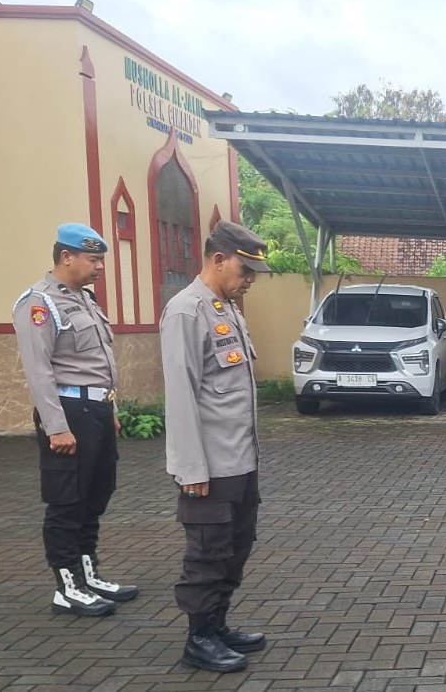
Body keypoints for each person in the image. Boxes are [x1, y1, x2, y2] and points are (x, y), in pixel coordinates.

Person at [162, 221, 273, 673]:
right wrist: (190, 469)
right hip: (208, 466)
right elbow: (181, 395)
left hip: (240, 460)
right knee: (207, 551)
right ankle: (199, 638)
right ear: (219, 259)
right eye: (245, 271)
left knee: (235, 545)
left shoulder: (226, 309)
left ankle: (218, 623)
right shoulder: (186, 312)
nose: (250, 280)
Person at [12, 222, 138, 617]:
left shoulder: (85, 300)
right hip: (69, 413)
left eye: (101, 260)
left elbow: (99, 365)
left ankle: (88, 576)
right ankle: (67, 589)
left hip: (96, 411)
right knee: (67, 502)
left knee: (95, 497)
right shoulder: (39, 303)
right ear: (66, 256)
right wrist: (57, 427)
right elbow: (39, 371)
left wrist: (110, 409)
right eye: (93, 259)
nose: (100, 267)